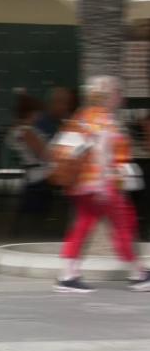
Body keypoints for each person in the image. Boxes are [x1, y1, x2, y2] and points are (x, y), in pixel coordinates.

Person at [56, 75, 149, 293]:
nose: (120, 97)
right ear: (107, 96)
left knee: (84, 225)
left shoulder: (82, 117)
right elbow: (103, 157)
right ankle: (138, 273)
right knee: (124, 224)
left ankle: (68, 274)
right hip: (100, 187)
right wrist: (105, 187)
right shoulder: (103, 121)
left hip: (82, 186)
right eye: (117, 93)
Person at [7, 94, 52, 228]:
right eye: (38, 112)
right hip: (41, 174)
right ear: (32, 113)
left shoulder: (16, 130)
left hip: (32, 174)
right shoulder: (27, 132)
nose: (39, 116)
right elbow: (44, 155)